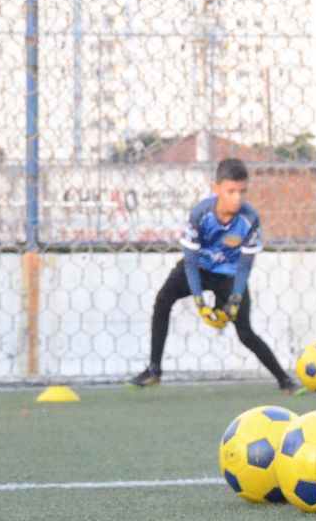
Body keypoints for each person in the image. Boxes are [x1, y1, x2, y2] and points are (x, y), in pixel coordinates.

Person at [128, 157, 298, 392]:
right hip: (199, 269)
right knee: (163, 299)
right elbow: (189, 261)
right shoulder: (201, 214)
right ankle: (154, 369)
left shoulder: (250, 219)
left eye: (242, 191)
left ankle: (285, 380)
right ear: (216, 189)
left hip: (230, 277)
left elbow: (245, 266)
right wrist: (199, 301)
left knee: (245, 332)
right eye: (230, 191)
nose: (237, 198)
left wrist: (236, 298)